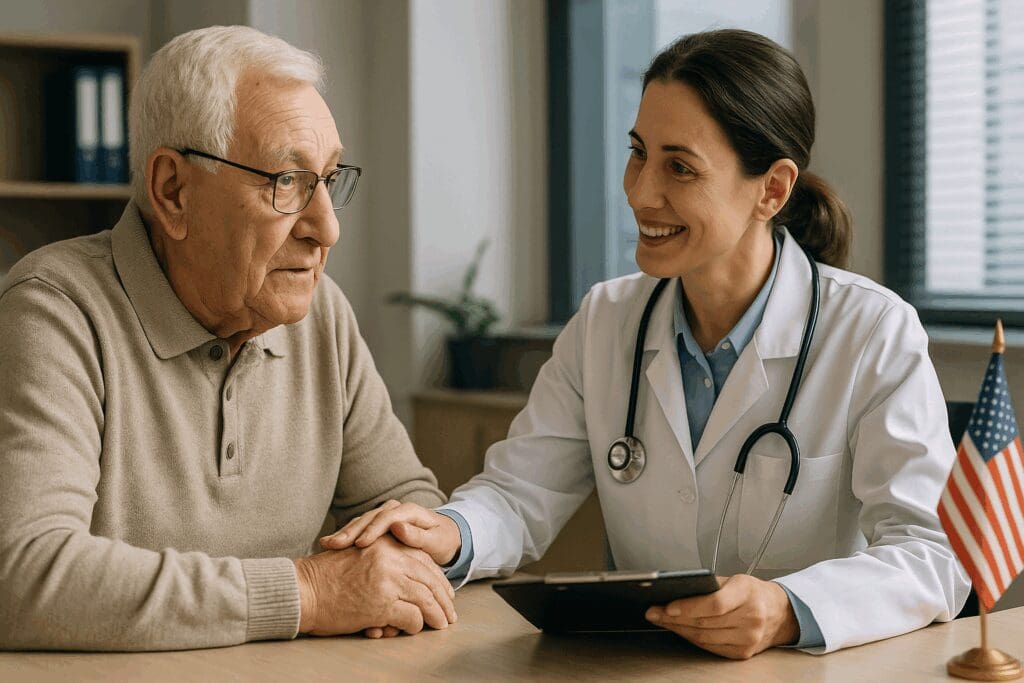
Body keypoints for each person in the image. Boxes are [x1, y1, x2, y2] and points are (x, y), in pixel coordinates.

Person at [322, 29, 971, 658]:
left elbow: (934, 553)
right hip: (645, 667)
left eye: (679, 167)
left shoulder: (871, 333)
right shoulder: (607, 321)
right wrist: (451, 530)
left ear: (772, 189)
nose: (639, 192)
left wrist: (785, 608)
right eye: (639, 153)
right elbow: (519, 498)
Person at [0, 26, 458, 651]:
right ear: (173, 191)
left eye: (328, 179)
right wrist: (312, 594)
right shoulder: (55, 310)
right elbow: (24, 576)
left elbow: (407, 510)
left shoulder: (321, 314)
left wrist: (388, 571)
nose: (326, 229)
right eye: (287, 182)